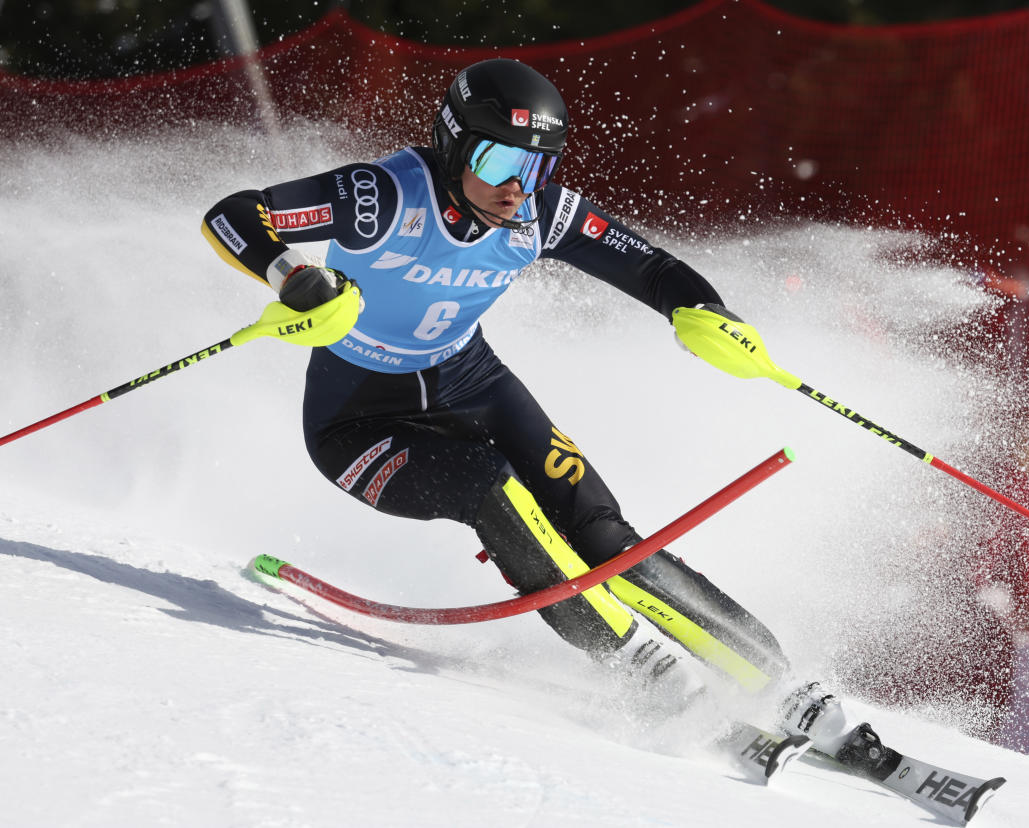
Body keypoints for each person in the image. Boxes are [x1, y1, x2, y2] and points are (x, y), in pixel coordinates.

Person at [201, 58, 871, 761]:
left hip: (473, 384)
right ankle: (644, 668)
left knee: (604, 535)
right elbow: (234, 215)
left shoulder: (541, 213)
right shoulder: (381, 196)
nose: (519, 186)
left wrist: (702, 311)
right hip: (358, 423)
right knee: (493, 490)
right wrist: (293, 274)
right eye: (497, 160)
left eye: (540, 166)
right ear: (456, 144)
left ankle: (777, 682)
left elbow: (650, 267)